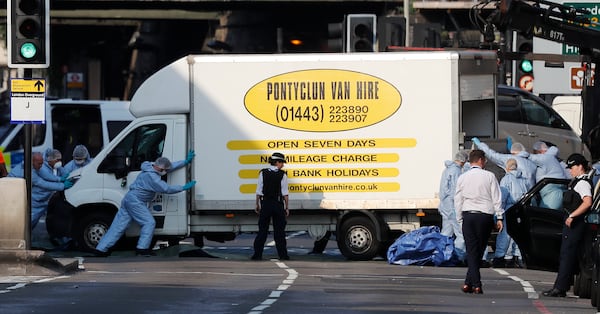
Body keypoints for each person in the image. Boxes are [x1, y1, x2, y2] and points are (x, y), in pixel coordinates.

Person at [94, 151, 196, 257]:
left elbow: (169, 167)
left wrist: (184, 162)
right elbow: (167, 189)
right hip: (136, 202)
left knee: (117, 227)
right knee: (149, 222)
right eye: (165, 170)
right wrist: (183, 187)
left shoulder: (150, 165)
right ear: (161, 169)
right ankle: (142, 249)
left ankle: (100, 249)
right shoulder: (153, 179)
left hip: (129, 199)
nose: (166, 172)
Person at [543, 153, 593, 297]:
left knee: (567, 255)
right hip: (574, 224)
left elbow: (587, 202)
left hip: (576, 224)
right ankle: (562, 285)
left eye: (572, 167)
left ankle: (560, 288)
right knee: (567, 255)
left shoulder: (583, 183)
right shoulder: (576, 181)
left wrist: (572, 215)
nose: (570, 170)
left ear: (580, 167)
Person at [455, 149, 503, 294]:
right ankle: (476, 284)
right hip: (484, 216)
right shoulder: (489, 176)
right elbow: (497, 197)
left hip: (468, 215)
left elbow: (458, 200)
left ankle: (469, 283)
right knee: (480, 249)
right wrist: (499, 216)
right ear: (481, 160)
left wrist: (459, 219)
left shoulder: (463, 177)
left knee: (471, 250)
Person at [8, 152, 74, 229]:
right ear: (32, 161)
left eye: (42, 163)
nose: (41, 166)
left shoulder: (34, 165)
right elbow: (43, 183)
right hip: (11, 193)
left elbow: (44, 174)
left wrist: (59, 179)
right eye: (39, 164)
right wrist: (62, 186)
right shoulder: (28, 172)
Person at [251, 152, 290, 261]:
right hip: (278, 205)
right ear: (277, 162)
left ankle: (257, 255)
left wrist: (257, 204)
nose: (283, 165)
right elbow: (285, 193)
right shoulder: (283, 175)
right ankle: (283, 255)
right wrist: (287, 207)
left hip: (265, 204)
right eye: (282, 162)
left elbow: (259, 190)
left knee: (262, 230)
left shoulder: (262, 173)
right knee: (279, 232)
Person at [492, 159, 528, 268]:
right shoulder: (524, 180)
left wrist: (498, 214)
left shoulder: (506, 179)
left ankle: (500, 257)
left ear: (507, 167)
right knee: (518, 234)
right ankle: (518, 257)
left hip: (508, 209)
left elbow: (502, 197)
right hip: (521, 209)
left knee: (505, 234)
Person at [438, 150, 469, 262]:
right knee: (460, 233)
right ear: (463, 160)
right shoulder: (456, 171)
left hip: (445, 206)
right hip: (452, 206)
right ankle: (459, 256)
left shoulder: (447, 170)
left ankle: (442, 255)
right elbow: (456, 191)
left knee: (446, 232)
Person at [472, 137, 537, 190]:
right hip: (530, 196)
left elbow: (492, 155)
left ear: (513, 152)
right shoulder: (532, 163)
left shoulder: (511, 158)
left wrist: (480, 144)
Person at [529, 141, 568, 209]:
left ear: (541, 152)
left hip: (552, 196)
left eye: (535, 153)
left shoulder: (545, 160)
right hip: (554, 195)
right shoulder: (559, 163)